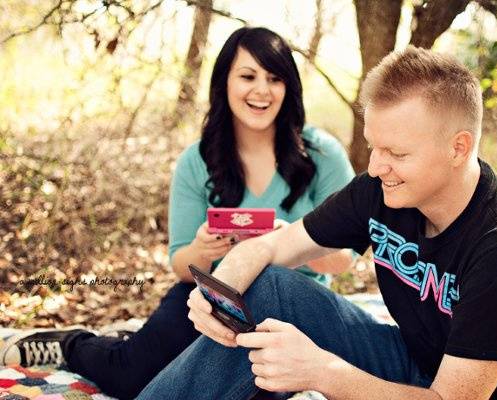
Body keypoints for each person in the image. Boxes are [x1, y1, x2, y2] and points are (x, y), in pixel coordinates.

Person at [136, 46, 497, 400]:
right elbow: (271, 246)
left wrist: (321, 372)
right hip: (419, 359)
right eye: (373, 146)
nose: (376, 166)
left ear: (459, 147)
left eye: (398, 153)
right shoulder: (382, 188)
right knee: (268, 286)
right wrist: (218, 292)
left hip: (477, 395)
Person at [0, 27, 354, 399]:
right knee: (129, 377)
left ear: (289, 87)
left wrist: (292, 242)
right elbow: (181, 263)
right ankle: (75, 345)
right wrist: (204, 250)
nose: (261, 91)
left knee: (249, 390)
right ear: (224, 83)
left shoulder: (321, 154)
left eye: (274, 78)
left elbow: (344, 260)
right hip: (212, 299)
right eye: (248, 76)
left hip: (292, 307)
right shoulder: (196, 161)